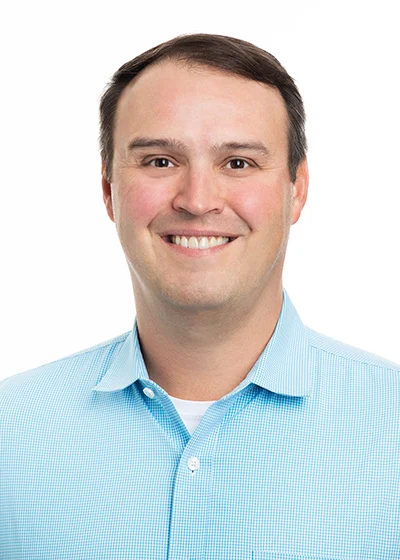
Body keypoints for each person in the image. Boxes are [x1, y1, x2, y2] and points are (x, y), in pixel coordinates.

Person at [1, 33, 398, 560]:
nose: (197, 201)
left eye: (238, 163)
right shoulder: (11, 429)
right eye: (160, 161)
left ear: (297, 189)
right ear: (108, 191)